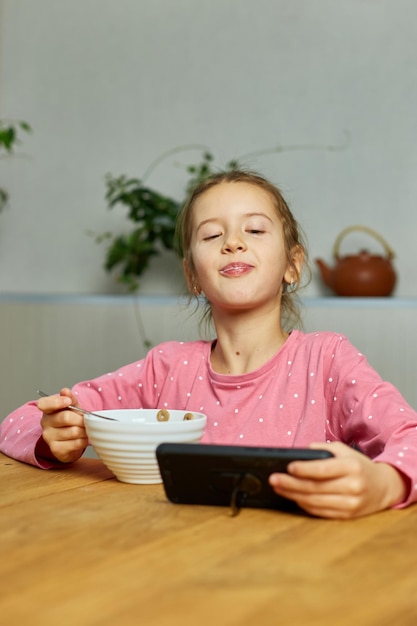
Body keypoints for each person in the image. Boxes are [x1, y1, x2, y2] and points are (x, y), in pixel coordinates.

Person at [1, 170, 417, 520]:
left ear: (293, 265)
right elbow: (16, 422)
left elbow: (409, 438)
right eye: (212, 234)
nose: (232, 242)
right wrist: (53, 437)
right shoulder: (165, 369)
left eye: (254, 229)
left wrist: (384, 483)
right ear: (192, 276)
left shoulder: (327, 360)